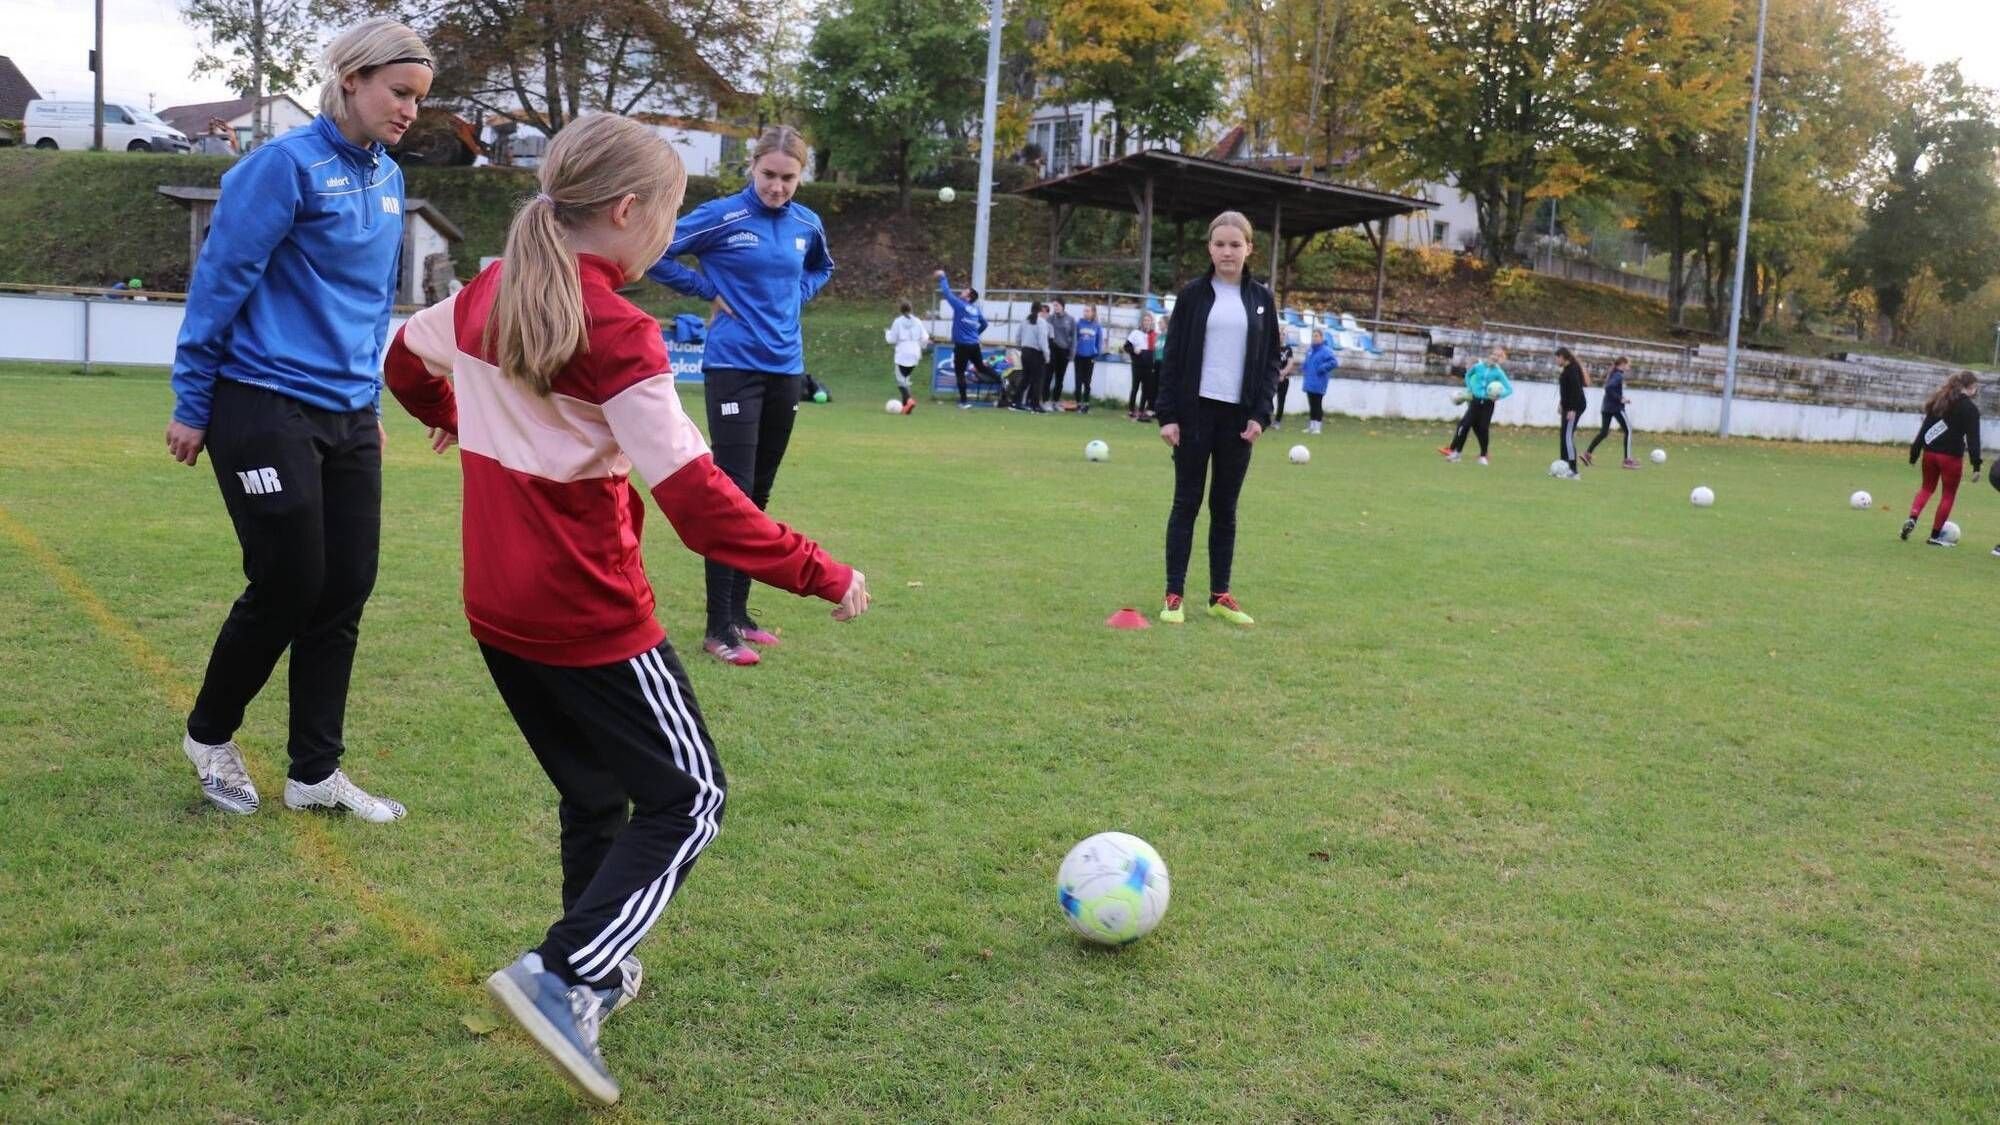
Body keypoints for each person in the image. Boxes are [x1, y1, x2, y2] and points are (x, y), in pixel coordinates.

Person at [383, 114, 870, 1107]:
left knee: (597, 797)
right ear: (628, 212)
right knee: (690, 799)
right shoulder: (618, 330)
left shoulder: (489, 291)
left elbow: (400, 358)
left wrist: (453, 415)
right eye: (674, 214)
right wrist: (818, 570)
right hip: (589, 613)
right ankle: (564, 973)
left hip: (498, 609)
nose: (671, 234)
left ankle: (591, 974)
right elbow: (695, 501)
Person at [164, 18, 432, 821]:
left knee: (347, 583)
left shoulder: (388, 179)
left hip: (347, 412)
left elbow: (369, 308)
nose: (411, 111)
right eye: (400, 92)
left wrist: (371, 405)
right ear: (351, 79)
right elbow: (220, 281)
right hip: (259, 398)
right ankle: (209, 735)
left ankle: (316, 773)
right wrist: (191, 400)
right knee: (290, 579)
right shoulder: (281, 166)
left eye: (420, 98)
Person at [648, 125, 833, 667]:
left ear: (802, 176)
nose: (777, 188)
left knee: (759, 493)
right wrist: (707, 290)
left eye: (788, 178)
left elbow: (822, 266)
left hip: (786, 368)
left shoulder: (806, 223)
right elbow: (657, 251)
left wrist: (798, 294)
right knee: (731, 492)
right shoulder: (723, 215)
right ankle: (716, 627)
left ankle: (742, 615)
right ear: (752, 168)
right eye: (769, 175)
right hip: (733, 367)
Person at [1154, 211, 1281, 627]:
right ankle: (1174, 595)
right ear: (1210, 248)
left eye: (1235, 244)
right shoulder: (1192, 295)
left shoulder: (1262, 300)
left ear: (1249, 248)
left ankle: (1219, 595)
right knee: (1186, 504)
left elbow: (1269, 366)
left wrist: (1261, 415)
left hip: (1238, 419)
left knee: (1225, 508)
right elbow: (1171, 359)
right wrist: (1168, 416)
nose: (1227, 251)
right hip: (1194, 415)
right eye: (1220, 244)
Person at [1903, 369, 1982, 547]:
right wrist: (1976, 464)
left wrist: (1914, 453)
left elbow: (1924, 428)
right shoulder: (1970, 409)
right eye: (1975, 387)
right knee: (1948, 495)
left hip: (1930, 454)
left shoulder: (1940, 400)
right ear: (1970, 388)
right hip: (1951, 458)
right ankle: (1934, 536)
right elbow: (1973, 438)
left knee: (1926, 488)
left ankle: (1913, 517)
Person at [1439, 346, 1513, 464]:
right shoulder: (1478, 367)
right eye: (1494, 354)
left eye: (1499, 356)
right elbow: (1468, 375)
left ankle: (1483, 456)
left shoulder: (1498, 372)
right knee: (1464, 426)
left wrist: (1499, 396)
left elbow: (1509, 389)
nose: (1495, 357)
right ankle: (1457, 453)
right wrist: (1471, 388)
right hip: (1475, 402)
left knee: (1483, 429)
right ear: (1489, 355)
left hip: (1488, 404)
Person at [934, 270, 995, 409]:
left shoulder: (960, 305)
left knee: (960, 372)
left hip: (962, 346)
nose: (961, 292)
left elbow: (947, 293)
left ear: (968, 298)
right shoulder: (975, 310)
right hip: (974, 345)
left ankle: (964, 402)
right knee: (980, 367)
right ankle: (1001, 380)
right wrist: (975, 334)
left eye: (964, 292)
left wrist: (943, 277)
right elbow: (984, 324)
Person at [1585, 354, 1638, 468]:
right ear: (1623, 364)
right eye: (1628, 364)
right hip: (1616, 408)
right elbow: (1609, 388)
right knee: (1628, 430)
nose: (1629, 367)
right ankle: (1627, 460)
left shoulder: (1614, 373)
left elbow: (1609, 388)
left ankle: (1587, 453)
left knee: (1604, 432)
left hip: (1606, 407)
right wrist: (1621, 399)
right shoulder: (1618, 375)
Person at [884, 300, 927, 414]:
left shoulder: (897, 322)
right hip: (915, 352)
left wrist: (887, 333)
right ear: (911, 309)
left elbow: (892, 339)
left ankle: (909, 400)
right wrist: (921, 347)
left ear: (900, 310)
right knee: (906, 380)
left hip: (903, 353)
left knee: (900, 381)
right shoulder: (917, 321)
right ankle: (906, 409)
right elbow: (925, 337)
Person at [1554, 345, 1588, 478]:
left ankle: (1574, 471)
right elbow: (1566, 390)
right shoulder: (1567, 369)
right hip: (1568, 406)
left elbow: (1577, 391)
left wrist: (1572, 409)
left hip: (1575, 407)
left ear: (1562, 357)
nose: (1556, 361)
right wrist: (1561, 404)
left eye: (1557, 358)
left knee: (1568, 436)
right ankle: (1563, 467)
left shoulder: (1572, 370)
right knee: (1563, 435)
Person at [1012, 301, 1050, 412]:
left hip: (1025, 351)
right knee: (1038, 380)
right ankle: (1035, 405)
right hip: (1036, 353)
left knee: (1026, 378)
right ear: (1040, 310)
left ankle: (1016, 402)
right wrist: (1047, 355)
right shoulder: (1041, 322)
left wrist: (1021, 347)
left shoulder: (1024, 321)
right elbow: (1043, 340)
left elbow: (1018, 337)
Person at [1300, 327, 1337, 435]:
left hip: (1319, 382)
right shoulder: (1310, 350)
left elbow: (1334, 362)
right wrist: (1304, 368)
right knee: (1311, 404)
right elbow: (1307, 363)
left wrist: (1322, 368)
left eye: (1316, 336)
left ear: (1321, 338)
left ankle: (1318, 427)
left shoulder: (1326, 351)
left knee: (1317, 404)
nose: (1314, 338)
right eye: (1313, 336)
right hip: (1309, 381)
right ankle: (1311, 426)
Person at [1123, 311, 1158, 420]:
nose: (1146, 322)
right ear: (1142, 322)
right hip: (1137, 364)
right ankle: (1131, 409)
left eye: (1148, 320)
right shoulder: (1135, 333)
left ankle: (1141, 410)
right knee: (1135, 387)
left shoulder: (1154, 335)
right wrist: (1134, 350)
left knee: (1146, 389)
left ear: (1151, 322)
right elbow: (1126, 347)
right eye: (1145, 320)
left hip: (1148, 365)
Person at [1044, 300, 1076, 411]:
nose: (1055, 308)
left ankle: (1056, 401)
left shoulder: (1070, 320)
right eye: (1054, 306)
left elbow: (1074, 337)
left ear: (1062, 306)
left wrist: (1072, 352)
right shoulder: (1050, 319)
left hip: (1064, 351)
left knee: (1060, 378)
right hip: (1052, 350)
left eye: (1057, 305)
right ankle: (1045, 401)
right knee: (1048, 376)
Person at [1073, 304, 1104, 413]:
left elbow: (1099, 342)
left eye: (1087, 311)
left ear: (1093, 312)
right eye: (1084, 311)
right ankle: (1078, 404)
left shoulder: (1097, 326)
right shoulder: (1079, 323)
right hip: (1079, 356)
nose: (1085, 313)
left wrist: (1097, 355)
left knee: (1087, 382)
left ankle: (1086, 404)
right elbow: (1074, 338)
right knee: (1078, 381)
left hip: (1090, 357)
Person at [1270, 343, 1296, 430]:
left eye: (1284, 334)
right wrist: (1276, 374)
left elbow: (1290, 363)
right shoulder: (1272, 346)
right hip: (1272, 377)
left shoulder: (1288, 349)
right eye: (1281, 334)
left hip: (1284, 379)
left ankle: (1277, 421)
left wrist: (1283, 373)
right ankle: (1267, 419)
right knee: (1268, 399)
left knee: (1281, 400)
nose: (1282, 336)